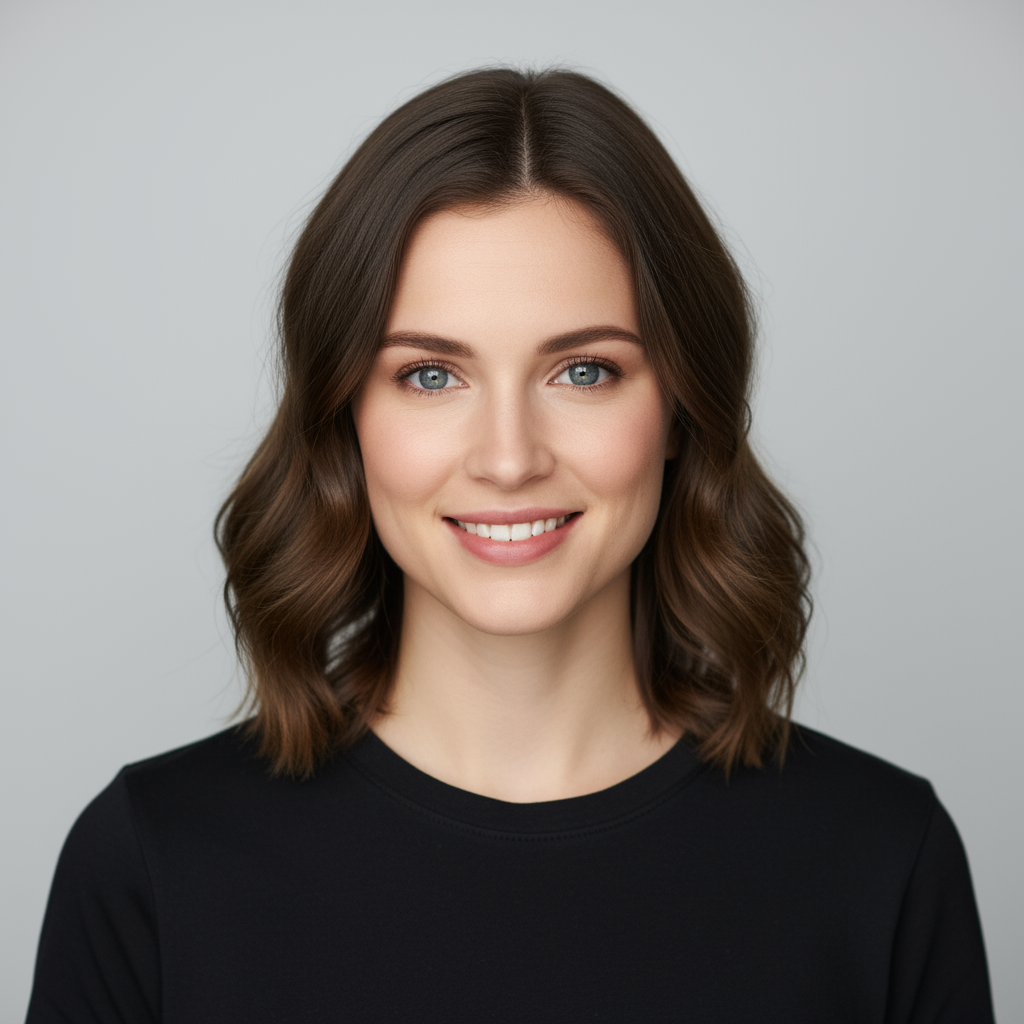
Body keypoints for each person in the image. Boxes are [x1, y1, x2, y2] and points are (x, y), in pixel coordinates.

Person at [26, 66, 994, 1022]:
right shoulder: (151, 868)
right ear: (345, 415)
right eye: (430, 376)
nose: (507, 457)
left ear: (680, 408)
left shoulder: (881, 862)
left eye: (581, 369)